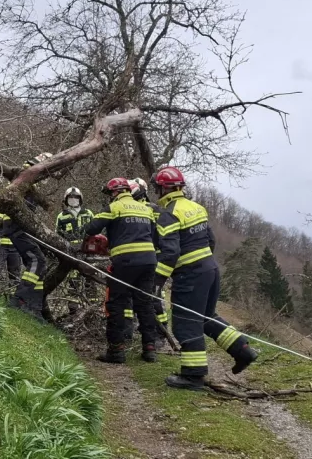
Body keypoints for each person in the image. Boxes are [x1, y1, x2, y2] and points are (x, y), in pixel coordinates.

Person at [152, 166, 258, 391]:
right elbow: (210, 240)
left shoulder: (168, 214)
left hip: (190, 275)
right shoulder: (196, 207)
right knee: (207, 317)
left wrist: (157, 281)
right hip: (210, 269)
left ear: (162, 189)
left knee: (185, 324)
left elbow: (170, 253)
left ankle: (193, 376)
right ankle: (243, 350)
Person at [85, 177, 160, 364]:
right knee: (145, 304)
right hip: (149, 261)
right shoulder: (146, 209)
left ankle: (116, 351)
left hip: (125, 262)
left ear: (115, 192)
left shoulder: (114, 207)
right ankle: (149, 348)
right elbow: (156, 239)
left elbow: (91, 228)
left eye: (110, 194)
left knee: (116, 304)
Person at [2, 154, 52, 320]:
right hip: (17, 225)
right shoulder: (27, 174)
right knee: (37, 261)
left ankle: (34, 308)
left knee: (38, 261)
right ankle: (20, 300)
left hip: (23, 225)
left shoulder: (29, 177)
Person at [129, 178, 171, 337]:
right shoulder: (146, 208)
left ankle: (161, 332)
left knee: (154, 295)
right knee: (141, 295)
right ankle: (144, 327)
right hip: (142, 257)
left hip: (154, 257)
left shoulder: (153, 209)